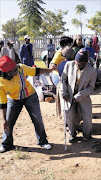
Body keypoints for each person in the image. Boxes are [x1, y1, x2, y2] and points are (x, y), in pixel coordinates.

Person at [0, 55, 54, 153]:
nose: (16, 70)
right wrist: (3, 119)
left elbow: (36, 71)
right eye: (14, 70)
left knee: (37, 120)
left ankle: (43, 141)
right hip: (14, 99)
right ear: (7, 73)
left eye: (16, 67)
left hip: (30, 96)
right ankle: (6, 144)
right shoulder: (1, 82)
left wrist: (50, 70)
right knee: (8, 123)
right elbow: (3, 102)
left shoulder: (20, 68)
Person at [61, 48, 97, 143]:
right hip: (69, 95)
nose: (77, 64)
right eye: (76, 61)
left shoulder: (92, 71)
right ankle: (72, 134)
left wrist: (78, 96)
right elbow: (63, 80)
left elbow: (90, 88)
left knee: (87, 116)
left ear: (85, 63)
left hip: (83, 96)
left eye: (80, 63)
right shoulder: (69, 65)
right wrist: (64, 92)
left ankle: (87, 135)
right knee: (70, 115)